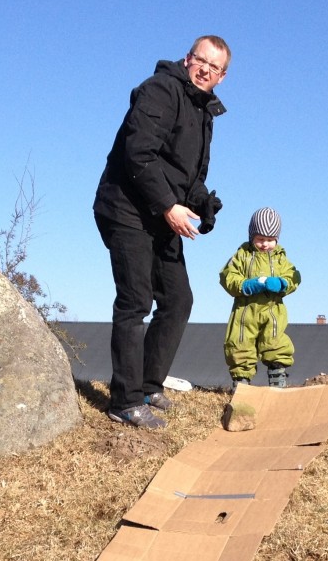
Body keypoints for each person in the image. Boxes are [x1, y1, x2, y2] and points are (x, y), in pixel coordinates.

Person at [94, 35, 231, 429]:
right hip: (126, 209)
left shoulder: (202, 111)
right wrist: (169, 206)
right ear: (188, 59)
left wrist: (203, 203)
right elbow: (139, 153)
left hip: (159, 214)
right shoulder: (161, 90)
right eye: (200, 60)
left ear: (222, 77)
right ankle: (125, 400)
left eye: (214, 67)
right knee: (135, 300)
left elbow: (186, 176)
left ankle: (149, 384)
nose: (205, 69)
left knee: (178, 299)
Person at [219, 207, 300, 388]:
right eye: (260, 239)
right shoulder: (242, 256)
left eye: (270, 240)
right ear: (251, 236)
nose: (265, 244)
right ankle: (241, 381)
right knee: (240, 343)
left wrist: (282, 283)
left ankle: (278, 377)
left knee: (275, 342)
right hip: (245, 311)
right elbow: (227, 276)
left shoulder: (281, 259)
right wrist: (244, 285)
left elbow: (294, 277)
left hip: (272, 311)